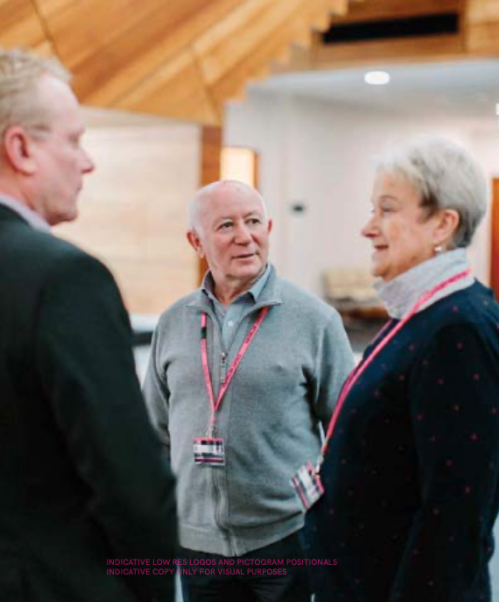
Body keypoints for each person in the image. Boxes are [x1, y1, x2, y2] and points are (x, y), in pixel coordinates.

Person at [0, 48, 177, 602]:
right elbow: (132, 488)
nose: (88, 162)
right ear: (21, 148)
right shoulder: (64, 280)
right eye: (74, 141)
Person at [304, 137, 499, 602]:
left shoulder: (458, 329)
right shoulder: (421, 314)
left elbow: (454, 517)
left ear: (442, 224)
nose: (368, 228)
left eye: (386, 210)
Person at [143, 180, 354, 602]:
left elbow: (347, 434)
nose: (245, 236)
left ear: (269, 227)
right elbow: (153, 432)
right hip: (197, 543)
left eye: (253, 221)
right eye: (225, 225)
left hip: (286, 536)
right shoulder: (173, 322)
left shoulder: (316, 320)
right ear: (195, 241)